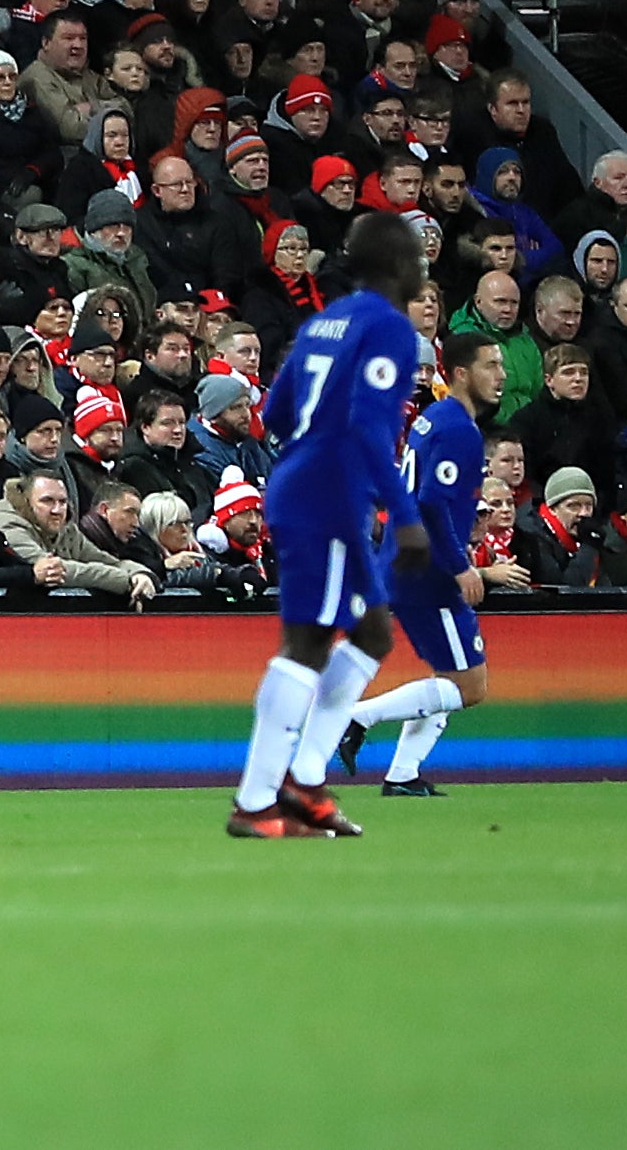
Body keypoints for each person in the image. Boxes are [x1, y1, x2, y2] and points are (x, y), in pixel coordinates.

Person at [229, 211, 424, 839]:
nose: (424, 265)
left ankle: (304, 777)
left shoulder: (323, 322)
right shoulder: (390, 328)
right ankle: (258, 799)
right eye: (417, 256)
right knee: (309, 642)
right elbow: (370, 428)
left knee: (372, 633)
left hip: (305, 480)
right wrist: (407, 514)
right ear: (398, 264)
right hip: (329, 492)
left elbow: (276, 412)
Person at [341, 325, 504, 796]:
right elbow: (432, 503)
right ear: (460, 373)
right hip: (428, 570)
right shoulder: (459, 429)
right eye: (489, 366)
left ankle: (403, 776)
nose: (500, 375)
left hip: (404, 560)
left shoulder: (432, 418)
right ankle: (356, 717)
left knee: (447, 678)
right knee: (470, 688)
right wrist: (459, 564)